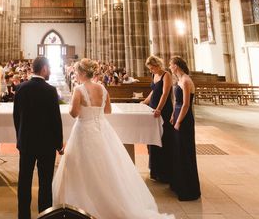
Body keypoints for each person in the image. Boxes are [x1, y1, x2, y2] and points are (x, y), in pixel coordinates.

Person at [52, 58, 174, 219]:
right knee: (106, 164)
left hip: (84, 129)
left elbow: (74, 113)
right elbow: (108, 110)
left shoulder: (79, 89)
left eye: (76, 72)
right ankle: (110, 201)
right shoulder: (102, 88)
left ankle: (81, 204)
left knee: (81, 165)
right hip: (101, 129)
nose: (75, 74)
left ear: (82, 73)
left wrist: (75, 107)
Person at [13, 56, 63, 219]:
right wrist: (58, 143)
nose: (49, 71)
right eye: (48, 68)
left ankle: (23, 216)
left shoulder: (20, 88)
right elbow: (56, 120)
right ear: (43, 69)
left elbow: (16, 117)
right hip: (46, 145)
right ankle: (45, 215)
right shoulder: (50, 91)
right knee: (45, 183)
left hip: (26, 142)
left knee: (24, 181)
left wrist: (20, 137)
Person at [168, 56, 201, 201]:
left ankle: (188, 188)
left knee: (185, 151)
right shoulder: (179, 80)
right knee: (178, 151)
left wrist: (178, 121)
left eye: (171, 65)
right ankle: (178, 183)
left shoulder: (186, 81)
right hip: (178, 115)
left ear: (176, 66)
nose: (169, 67)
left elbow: (186, 104)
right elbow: (177, 101)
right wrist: (172, 116)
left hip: (185, 119)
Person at [142, 55, 174, 183]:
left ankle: (165, 172)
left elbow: (165, 93)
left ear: (157, 65)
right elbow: (154, 92)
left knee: (163, 138)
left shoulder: (166, 75)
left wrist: (159, 109)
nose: (151, 71)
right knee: (152, 138)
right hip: (152, 109)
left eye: (152, 68)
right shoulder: (154, 75)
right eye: (150, 69)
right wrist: (144, 102)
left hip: (163, 110)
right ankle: (155, 171)